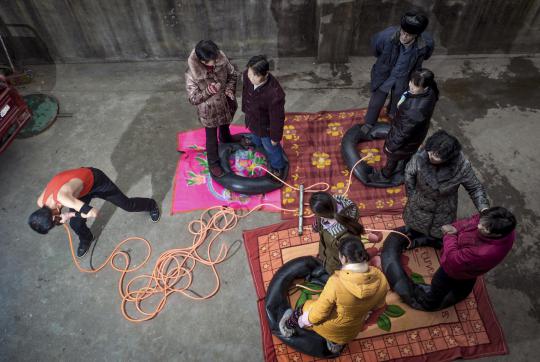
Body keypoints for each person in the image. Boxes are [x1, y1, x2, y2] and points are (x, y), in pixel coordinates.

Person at [279, 237, 389, 354]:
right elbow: (380, 308)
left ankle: (288, 325)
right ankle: (335, 345)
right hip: (351, 333)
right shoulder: (381, 278)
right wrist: (364, 323)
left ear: (344, 258)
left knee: (304, 308)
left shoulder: (336, 282)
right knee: (340, 335)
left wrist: (304, 320)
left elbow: (319, 314)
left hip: (330, 327)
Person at [28, 167, 160, 258]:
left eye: (54, 222)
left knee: (127, 205)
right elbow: (57, 213)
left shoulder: (63, 198)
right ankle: (86, 238)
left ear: (51, 216)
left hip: (97, 181)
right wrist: (62, 217)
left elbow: (93, 213)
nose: (56, 222)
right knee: (75, 224)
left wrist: (68, 214)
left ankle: (151, 204)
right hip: (78, 191)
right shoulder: (41, 202)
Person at [414, 207, 516, 310]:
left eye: (485, 229)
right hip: (471, 267)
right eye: (481, 221)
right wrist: (456, 227)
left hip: (456, 268)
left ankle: (429, 304)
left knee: (439, 283)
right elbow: (472, 220)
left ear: (497, 234)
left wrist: (450, 235)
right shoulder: (496, 223)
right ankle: (460, 294)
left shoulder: (483, 252)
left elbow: (452, 259)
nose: (479, 226)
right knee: (466, 281)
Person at [403, 130, 490, 245]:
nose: (431, 156)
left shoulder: (461, 166)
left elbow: (475, 188)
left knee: (439, 233)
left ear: (448, 157)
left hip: (442, 210)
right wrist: (412, 194)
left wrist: (483, 208)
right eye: (431, 152)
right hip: (418, 203)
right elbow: (409, 173)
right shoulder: (422, 154)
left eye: (437, 155)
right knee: (414, 227)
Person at [361, 11, 434, 136]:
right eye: (403, 32)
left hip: (405, 77)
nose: (404, 37)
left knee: (399, 99)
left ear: (417, 35)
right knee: (376, 101)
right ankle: (369, 122)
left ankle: (392, 113)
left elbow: (425, 56)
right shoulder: (385, 37)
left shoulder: (425, 43)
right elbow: (376, 50)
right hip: (385, 76)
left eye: (409, 35)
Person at [369, 68, 439, 183]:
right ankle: (403, 169)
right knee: (406, 154)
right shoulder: (430, 91)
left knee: (393, 157)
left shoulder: (414, 110)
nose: (411, 86)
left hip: (407, 137)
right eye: (411, 82)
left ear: (425, 87)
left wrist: (391, 146)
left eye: (415, 86)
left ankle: (385, 176)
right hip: (417, 135)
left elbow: (403, 132)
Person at [186, 40, 239, 178]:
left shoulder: (220, 59)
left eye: (216, 59)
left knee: (225, 124)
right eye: (211, 61)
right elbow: (193, 99)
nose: (215, 63)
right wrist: (208, 92)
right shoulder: (192, 74)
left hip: (225, 103)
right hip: (209, 110)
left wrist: (228, 89)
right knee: (211, 139)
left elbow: (233, 75)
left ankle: (226, 138)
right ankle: (213, 163)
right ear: (203, 61)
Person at [242, 55, 287, 180]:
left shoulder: (274, 94)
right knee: (254, 132)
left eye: (254, 76)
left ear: (265, 74)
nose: (250, 77)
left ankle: (278, 166)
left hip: (266, 126)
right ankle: (255, 142)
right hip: (253, 116)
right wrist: (245, 109)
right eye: (249, 73)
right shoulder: (248, 75)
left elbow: (277, 118)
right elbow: (245, 92)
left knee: (270, 147)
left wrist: (275, 137)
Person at [309, 192, 364, 275]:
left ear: (322, 215)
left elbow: (352, 260)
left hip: (337, 264)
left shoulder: (345, 237)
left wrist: (342, 270)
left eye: (316, 214)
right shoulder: (331, 205)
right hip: (329, 253)